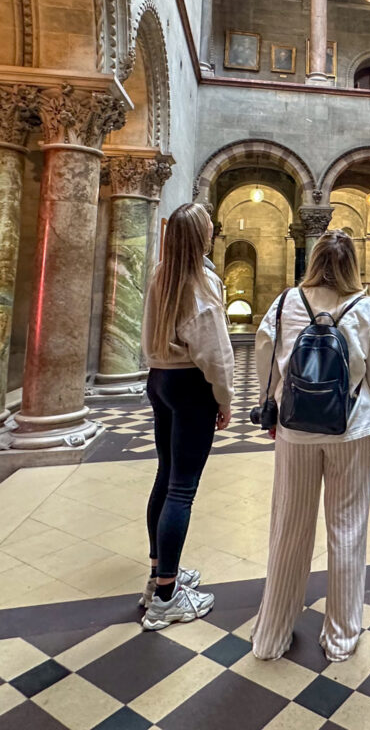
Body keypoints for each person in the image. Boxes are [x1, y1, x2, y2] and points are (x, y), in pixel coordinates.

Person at [252, 229, 370, 662]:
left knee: (288, 529)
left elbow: (264, 353)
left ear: (313, 261)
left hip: (295, 429)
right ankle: (340, 636)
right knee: (348, 528)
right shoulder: (366, 307)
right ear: (352, 265)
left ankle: (271, 635)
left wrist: (271, 406)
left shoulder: (285, 303)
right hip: (352, 429)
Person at [139, 202, 234, 631]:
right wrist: (225, 397)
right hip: (191, 385)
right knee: (182, 489)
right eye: (210, 228)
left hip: (160, 379)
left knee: (165, 476)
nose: (214, 232)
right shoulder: (201, 283)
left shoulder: (163, 273)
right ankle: (165, 597)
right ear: (200, 237)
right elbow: (215, 352)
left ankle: (159, 574)